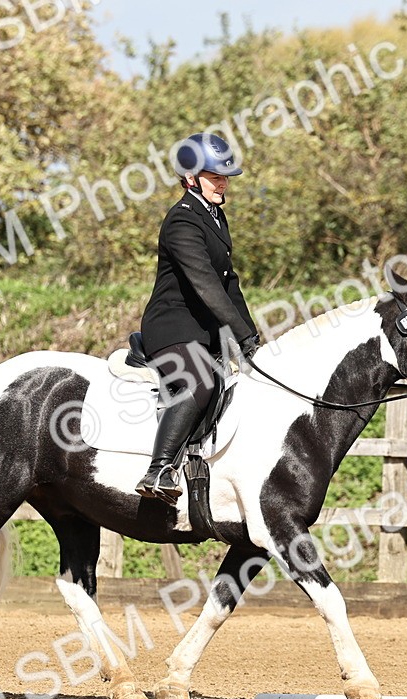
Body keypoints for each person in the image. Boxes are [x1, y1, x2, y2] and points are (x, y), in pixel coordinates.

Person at [134, 133, 260, 502]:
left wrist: (252, 337)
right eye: (214, 176)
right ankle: (159, 469)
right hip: (171, 328)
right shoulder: (181, 222)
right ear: (191, 178)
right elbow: (206, 286)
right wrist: (238, 335)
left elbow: (229, 283)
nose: (223, 183)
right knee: (201, 382)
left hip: (202, 332)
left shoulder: (215, 216)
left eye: (225, 177)